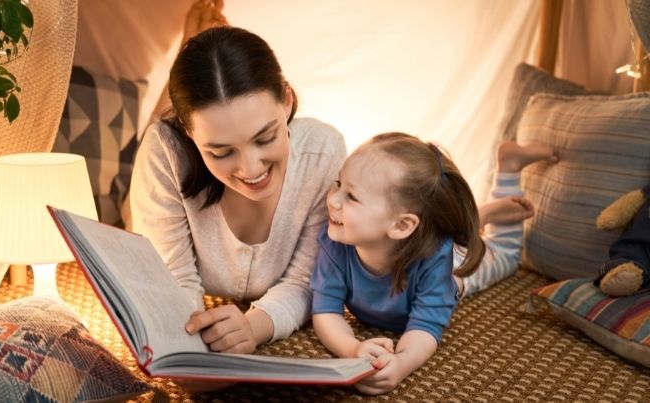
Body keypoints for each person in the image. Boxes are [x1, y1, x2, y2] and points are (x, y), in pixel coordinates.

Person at [129, 19, 347, 366]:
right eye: (221, 152)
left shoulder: (323, 150)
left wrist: (253, 327)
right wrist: (189, 340)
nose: (250, 169)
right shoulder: (164, 151)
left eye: (266, 138)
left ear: (287, 100)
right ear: (189, 132)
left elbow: (309, 280)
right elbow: (173, 281)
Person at [310, 133, 556, 395]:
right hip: (421, 240)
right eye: (338, 184)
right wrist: (352, 349)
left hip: (454, 268)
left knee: (506, 256)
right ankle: (478, 217)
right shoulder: (335, 238)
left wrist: (402, 363)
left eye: (352, 197)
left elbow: (426, 326)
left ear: (401, 225)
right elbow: (325, 311)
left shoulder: (438, 259)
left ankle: (509, 169)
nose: (333, 200)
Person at [454, 141, 558, 297]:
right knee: (499, 250)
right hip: (432, 251)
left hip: (451, 267)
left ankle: (476, 219)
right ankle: (506, 175)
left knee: (504, 254)